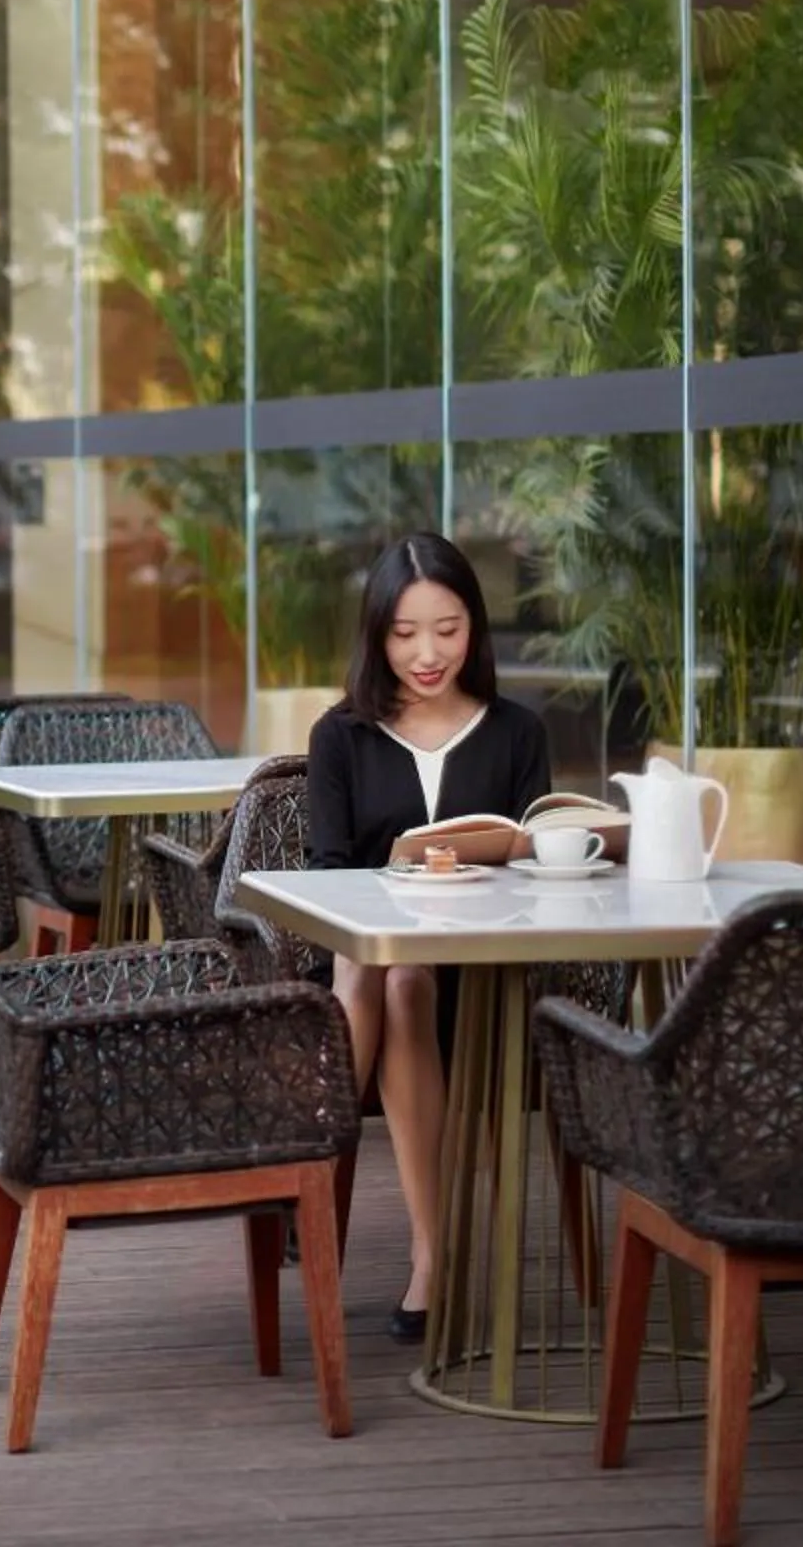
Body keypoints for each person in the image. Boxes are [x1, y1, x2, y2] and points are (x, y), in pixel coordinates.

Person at [304, 532, 553, 1343]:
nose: (427, 652)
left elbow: (536, 861)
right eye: (406, 633)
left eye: (447, 630)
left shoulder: (516, 733)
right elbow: (328, 873)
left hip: (486, 974)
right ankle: (431, 1252)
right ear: (377, 635)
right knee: (392, 969)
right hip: (369, 967)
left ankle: (314, 1153)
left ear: (474, 628)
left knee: (406, 976)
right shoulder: (341, 735)